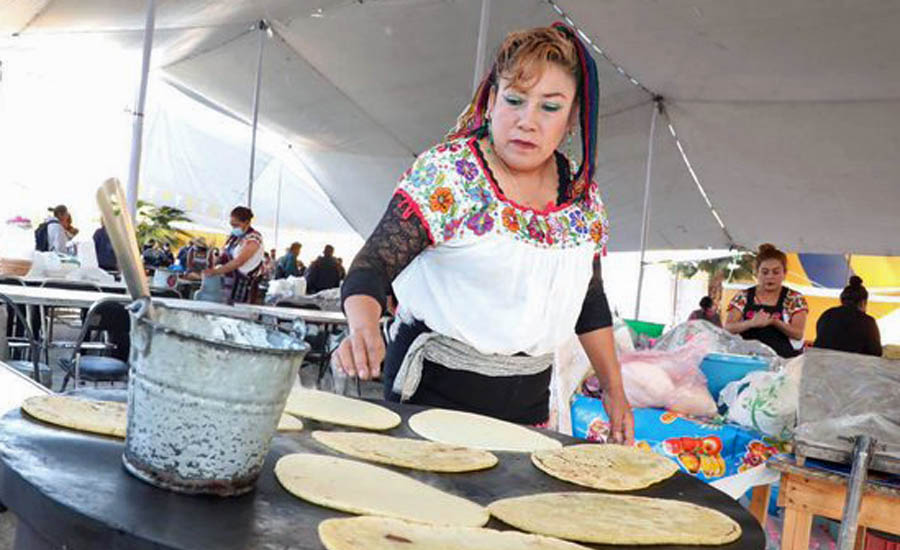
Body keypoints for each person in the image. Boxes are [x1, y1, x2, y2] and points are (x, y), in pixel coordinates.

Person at [335, 24, 633, 443]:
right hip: (432, 392)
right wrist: (363, 326)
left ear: (571, 120)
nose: (527, 121)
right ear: (491, 103)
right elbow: (372, 265)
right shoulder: (450, 175)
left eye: (550, 107)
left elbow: (590, 300)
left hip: (528, 401)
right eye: (514, 100)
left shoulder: (582, 200)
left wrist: (614, 390)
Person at [725, 244, 808, 358]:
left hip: (783, 363)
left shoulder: (794, 298)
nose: (770, 277)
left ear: (784, 273)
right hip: (748, 360)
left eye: (776, 272)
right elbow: (729, 327)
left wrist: (774, 322)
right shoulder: (743, 296)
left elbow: (798, 334)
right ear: (756, 273)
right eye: (765, 272)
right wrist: (751, 323)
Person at [203, 206, 265, 304]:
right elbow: (223, 255)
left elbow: (239, 261)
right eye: (232, 225)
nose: (234, 228)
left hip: (243, 284)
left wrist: (216, 271)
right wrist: (215, 261)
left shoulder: (254, 238)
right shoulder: (233, 238)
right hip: (228, 282)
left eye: (236, 225)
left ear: (247, 222)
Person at [814, 276, 882, 356]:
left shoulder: (827, 314)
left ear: (842, 300)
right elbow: (876, 352)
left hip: (820, 364)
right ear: (863, 302)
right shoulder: (868, 322)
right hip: (851, 367)